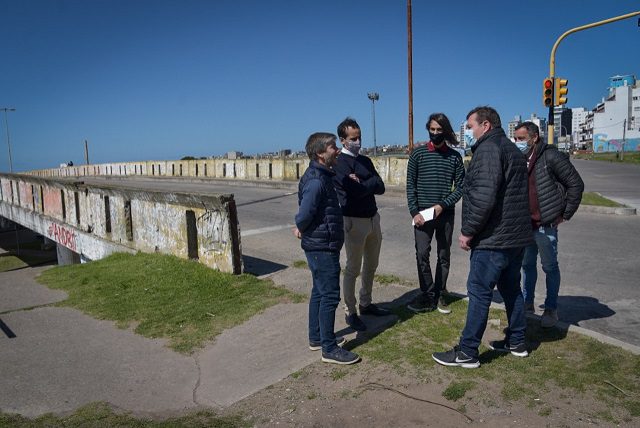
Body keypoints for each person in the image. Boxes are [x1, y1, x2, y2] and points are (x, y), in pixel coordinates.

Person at [432, 106, 533, 368]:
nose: (467, 131)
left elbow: (483, 198)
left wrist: (468, 232)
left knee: (479, 292)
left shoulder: (488, 149)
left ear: (485, 125)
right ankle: (517, 341)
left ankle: (467, 352)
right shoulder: (510, 148)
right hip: (514, 238)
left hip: (494, 239)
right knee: (512, 290)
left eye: (470, 126)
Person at [293, 132, 360, 365]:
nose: (338, 150)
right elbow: (304, 215)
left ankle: (317, 338)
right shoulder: (316, 180)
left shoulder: (322, 175)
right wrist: (300, 226)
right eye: (333, 147)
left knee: (319, 292)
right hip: (321, 246)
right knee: (330, 295)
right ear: (321, 153)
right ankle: (329, 349)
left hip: (320, 243)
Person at [514, 122, 584, 328]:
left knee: (550, 267)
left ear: (534, 138)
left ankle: (551, 308)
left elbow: (576, 184)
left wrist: (565, 214)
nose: (518, 142)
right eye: (516, 138)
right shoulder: (520, 158)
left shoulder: (551, 156)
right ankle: (528, 304)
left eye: (521, 138)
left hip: (546, 225)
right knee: (527, 266)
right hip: (525, 226)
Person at [333, 117, 389, 332]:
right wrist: (368, 184)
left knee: (371, 265)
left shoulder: (365, 161)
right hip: (353, 221)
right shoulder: (340, 164)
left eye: (359, 137)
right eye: (353, 138)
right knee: (353, 268)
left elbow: (380, 186)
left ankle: (366, 302)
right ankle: (351, 311)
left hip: (373, 218)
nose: (358, 142)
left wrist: (363, 183)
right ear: (343, 140)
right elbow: (351, 194)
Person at [406, 113, 465, 314]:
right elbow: (410, 186)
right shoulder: (417, 154)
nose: (435, 133)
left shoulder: (455, 157)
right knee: (422, 253)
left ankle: (439, 293)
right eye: (432, 129)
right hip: (422, 215)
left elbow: (460, 188)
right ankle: (428, 292)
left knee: (443, 255)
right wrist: (414, 212)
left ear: (446, 131)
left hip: (445, 215)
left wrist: (442, 205)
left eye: (439, 130)